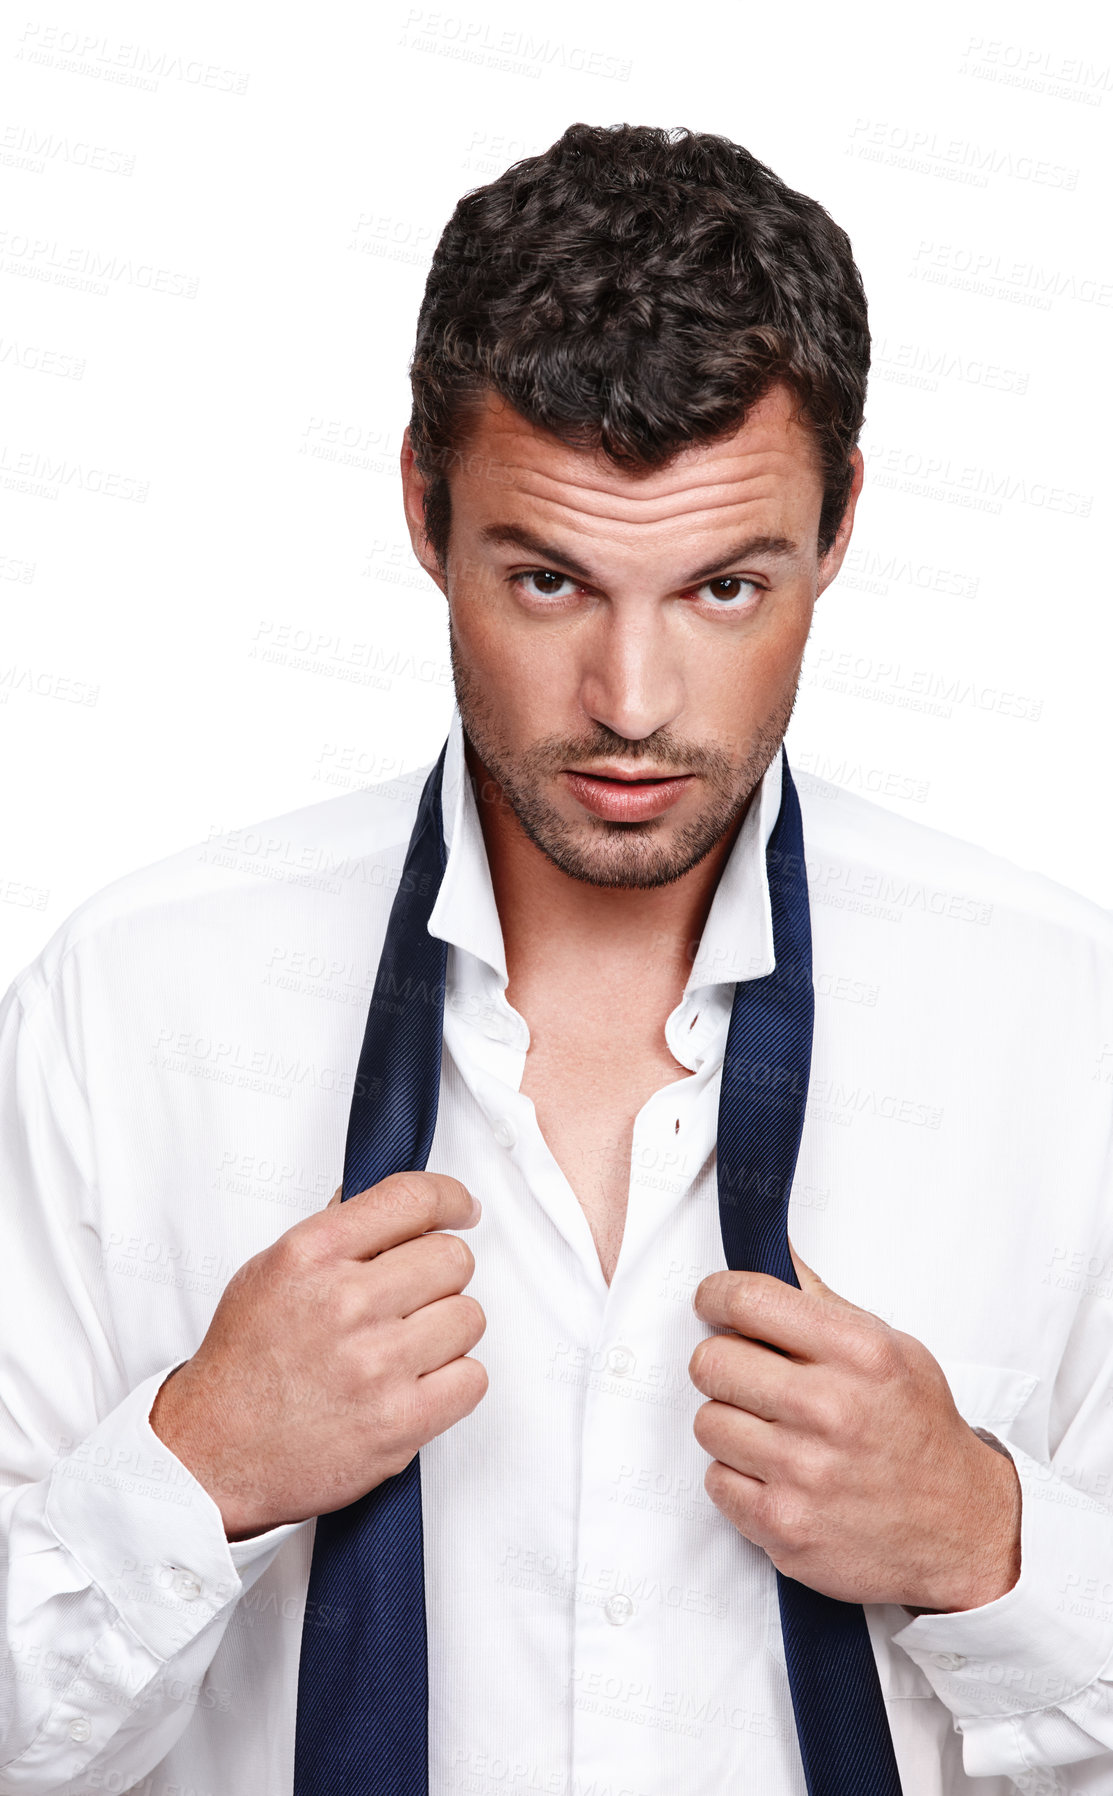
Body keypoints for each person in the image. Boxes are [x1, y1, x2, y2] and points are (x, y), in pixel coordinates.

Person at [1, 121, 1111, 1796]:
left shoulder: (1058, 1023)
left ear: (842, 526)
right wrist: (195, 1470)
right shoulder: (138, 1002)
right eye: (548, 581)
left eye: (726, 586)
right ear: (424, 512)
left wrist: (991, 1549)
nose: (634, 701)